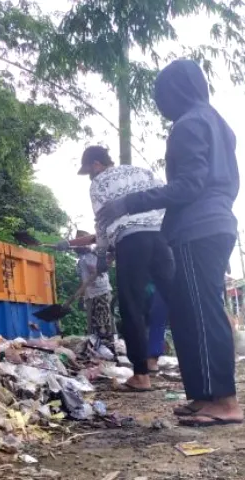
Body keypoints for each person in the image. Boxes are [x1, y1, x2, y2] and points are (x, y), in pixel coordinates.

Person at [96, 59, 242, 426]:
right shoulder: (216, 122)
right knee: (188, 312)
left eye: (162, 96)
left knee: (201, 313)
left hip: (199, 227)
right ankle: (203, 396)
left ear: (176, 91)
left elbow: (189, 185)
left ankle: (224, 402)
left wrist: (128, 203)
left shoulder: (189, 124)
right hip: (215, 221)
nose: (161, 105)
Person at [63, 145, 175, 392]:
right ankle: (195, 371)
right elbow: (165, 197)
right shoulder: (141, 172)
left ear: (96, 164)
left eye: (89, 170)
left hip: (131, 241)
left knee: (131, 306)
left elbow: (102, 221)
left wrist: (102, 253)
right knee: (176, 301)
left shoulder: (99, 183)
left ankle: (141, 376)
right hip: (160, 238)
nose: (90, 176)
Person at [72, 231, 116, 356]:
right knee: (93, 327)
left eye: (79, 244)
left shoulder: (93, 255)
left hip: (101, 292)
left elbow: (96, 270)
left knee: (103, 325)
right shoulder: (82, 259)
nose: (77, 248)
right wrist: (81, 297)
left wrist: (105, 261)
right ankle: (97, 352)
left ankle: (109, 353)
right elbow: (84, 280)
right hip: (90, 294)